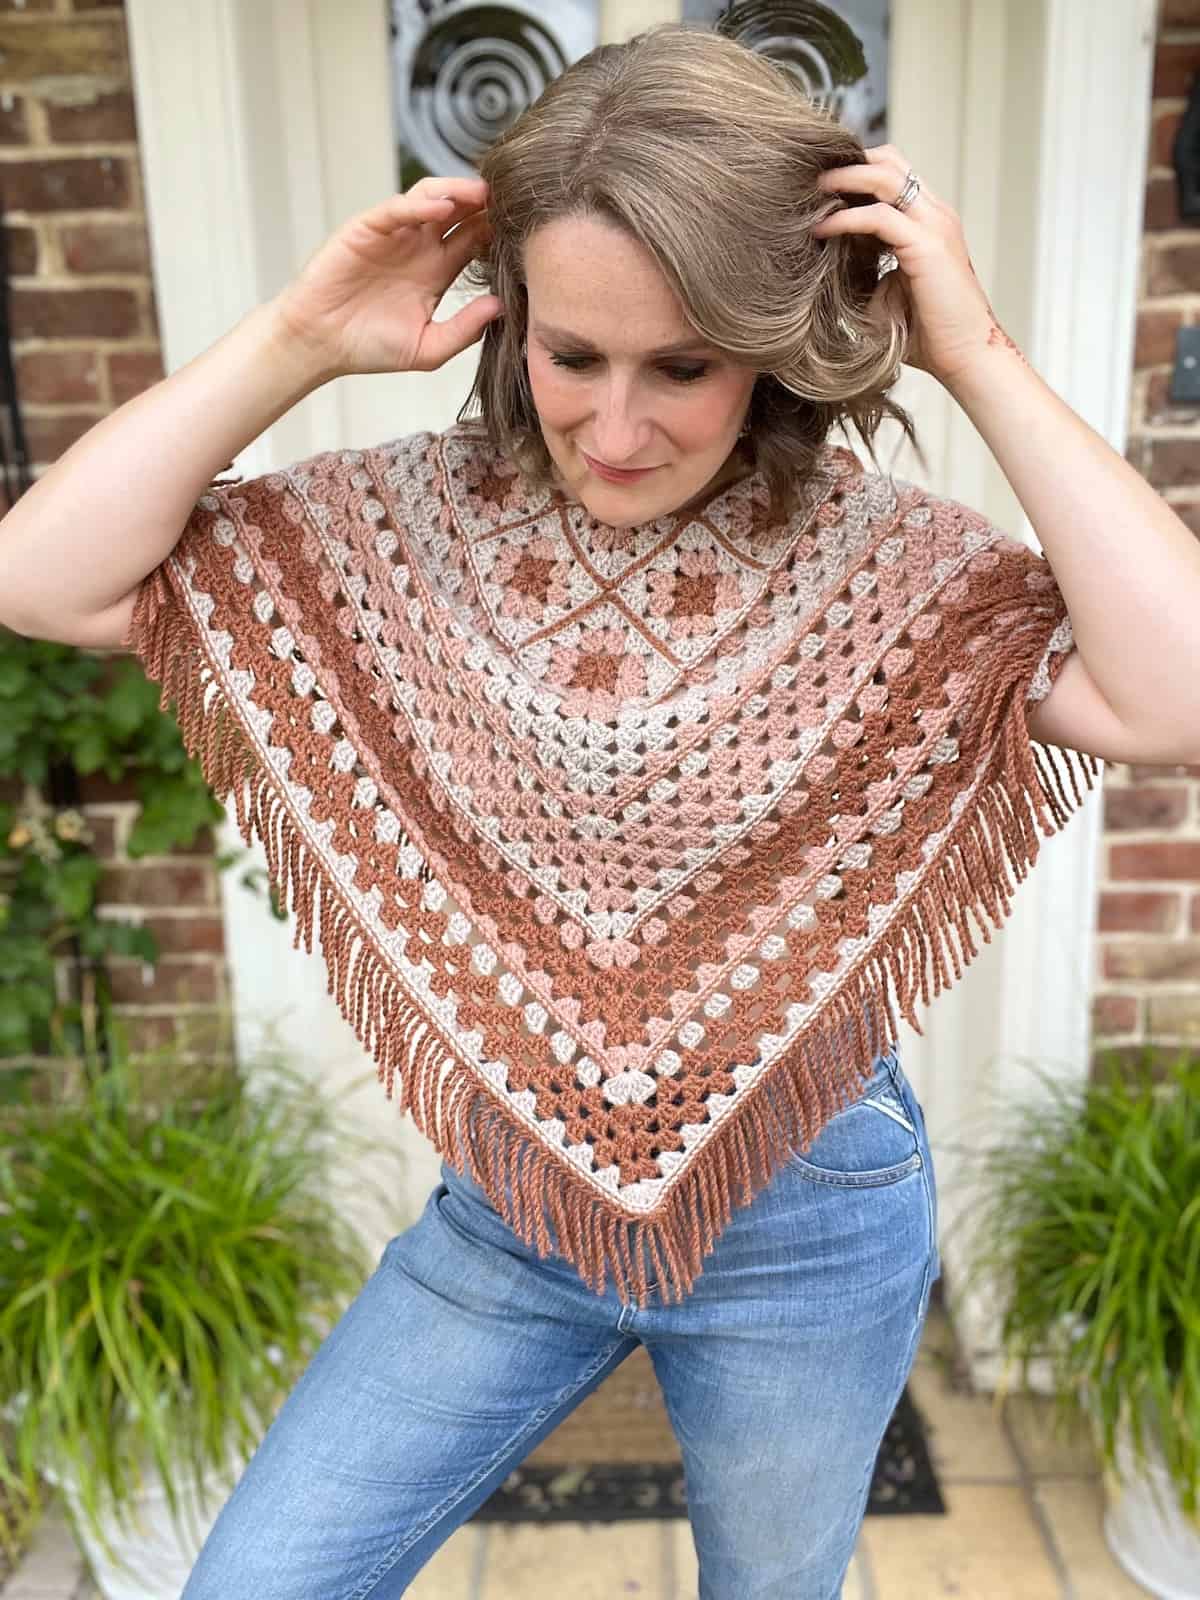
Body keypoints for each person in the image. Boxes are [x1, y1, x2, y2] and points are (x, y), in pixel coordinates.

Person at [2, 21, 1198, 1600]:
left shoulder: (893, 570)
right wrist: (297, 337)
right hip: (505, 1218)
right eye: (575, 355)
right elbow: (41, 576)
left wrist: (972, 351)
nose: (618, 429)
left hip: (809, 1213)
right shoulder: (400, 531)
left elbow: (1172, 696)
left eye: (684, 365)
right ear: (513, 327)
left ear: (769, 342)